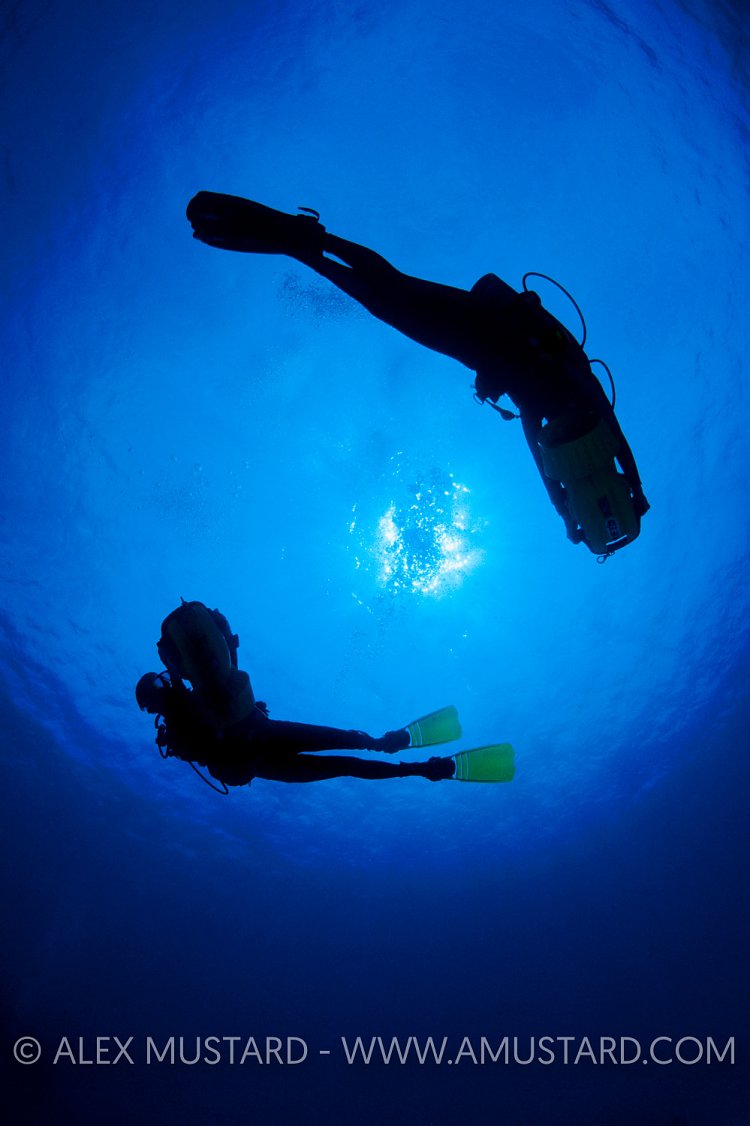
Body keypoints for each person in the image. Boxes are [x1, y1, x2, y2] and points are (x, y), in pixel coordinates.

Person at [185, 191, 650, 554]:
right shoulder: (581, 393)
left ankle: (309, 247)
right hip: (484, 325)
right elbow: (612, 434)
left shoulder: (548, 413)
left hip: (473, 345)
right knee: (393, 294)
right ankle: (312, 245)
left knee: (390, 298)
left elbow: (539, 450)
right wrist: (629, 489)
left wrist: (565, 511)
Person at [135, 600, 457, 787]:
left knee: (344, 762)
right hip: (263, 741)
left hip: (260, 752)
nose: (165, 685)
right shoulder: (182, 717)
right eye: (160, 684)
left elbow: (221, 684)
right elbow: (225, 668)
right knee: (345, 751)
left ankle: (407, 761)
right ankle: (394, 752)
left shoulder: (189, 706)